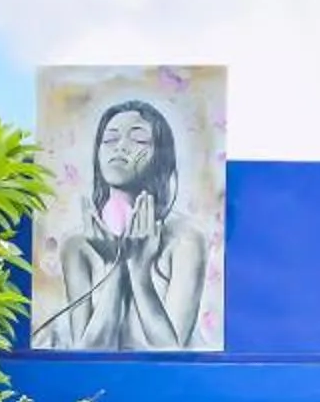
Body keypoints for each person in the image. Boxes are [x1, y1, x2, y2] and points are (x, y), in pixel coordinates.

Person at [52, 99, 209, 351]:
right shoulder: (77, 244)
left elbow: (172, 351)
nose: (120, 148)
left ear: (162, 155)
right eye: (110, 140)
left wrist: (139, 269)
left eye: (138, 140)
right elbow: (89, 351)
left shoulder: (186, 239)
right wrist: (116, 266)